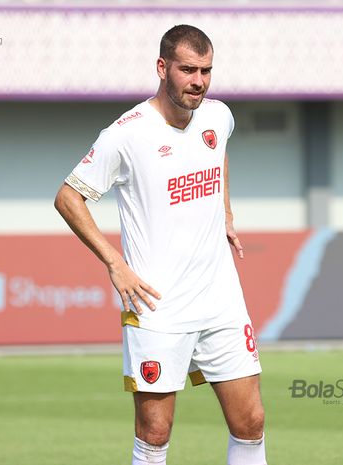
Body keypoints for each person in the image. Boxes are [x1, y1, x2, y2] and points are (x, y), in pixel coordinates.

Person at [54, 24, 268, 465]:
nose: (199, 81)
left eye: (206, 71)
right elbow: (68, 197)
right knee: (155, 433)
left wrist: (225, 213)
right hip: (157, 305)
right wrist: (114, 262)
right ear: (162, 68)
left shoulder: (217, 116)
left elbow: (219, 150)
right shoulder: (126, 135)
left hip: (220, 298)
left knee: (251, 423)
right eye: (188, 69)